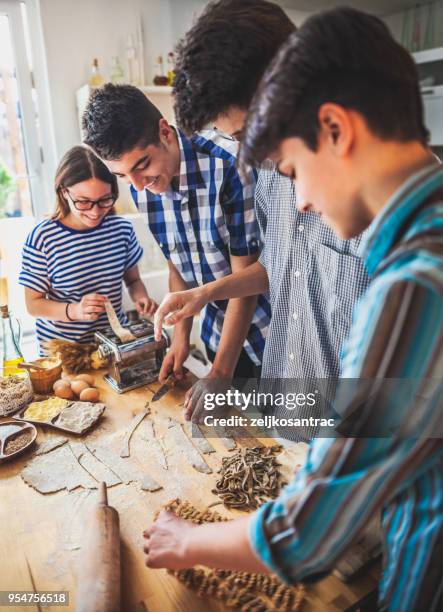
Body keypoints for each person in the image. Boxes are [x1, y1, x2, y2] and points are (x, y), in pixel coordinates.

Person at [143, 9, 443, 610]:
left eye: (291, 164)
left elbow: (306, 535)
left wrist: (188, 540)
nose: (300, 197)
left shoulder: (413, 278)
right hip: (309, 419)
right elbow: (283, 270)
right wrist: (205, 299)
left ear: (330, 124)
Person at [155, 0, 370, 421]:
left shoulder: (398, 198)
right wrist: (206, 293)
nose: (249, 153)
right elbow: (279, 265)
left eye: (247, 132)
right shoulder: (269, 172)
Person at [82, 84, 270, 389]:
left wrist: (221, 373)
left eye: (142, 165)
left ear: (165, 133)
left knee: (287, 430)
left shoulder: (228, 167)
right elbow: (177, 264)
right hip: (216, 334)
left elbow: (246, 281)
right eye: (122, 176)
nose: (138, 185)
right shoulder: (142, 187)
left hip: (267, 336)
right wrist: (180, 340)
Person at [19, 145, 157, 353]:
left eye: (104, 200)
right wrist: (74, 310)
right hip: (64, 352)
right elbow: (33, 305)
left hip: (113, 344)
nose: (95, 212)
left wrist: (141, 298)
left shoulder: (122, 230)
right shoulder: (43, 238)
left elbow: (133, 280)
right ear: (64, 192)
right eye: (83, 202)